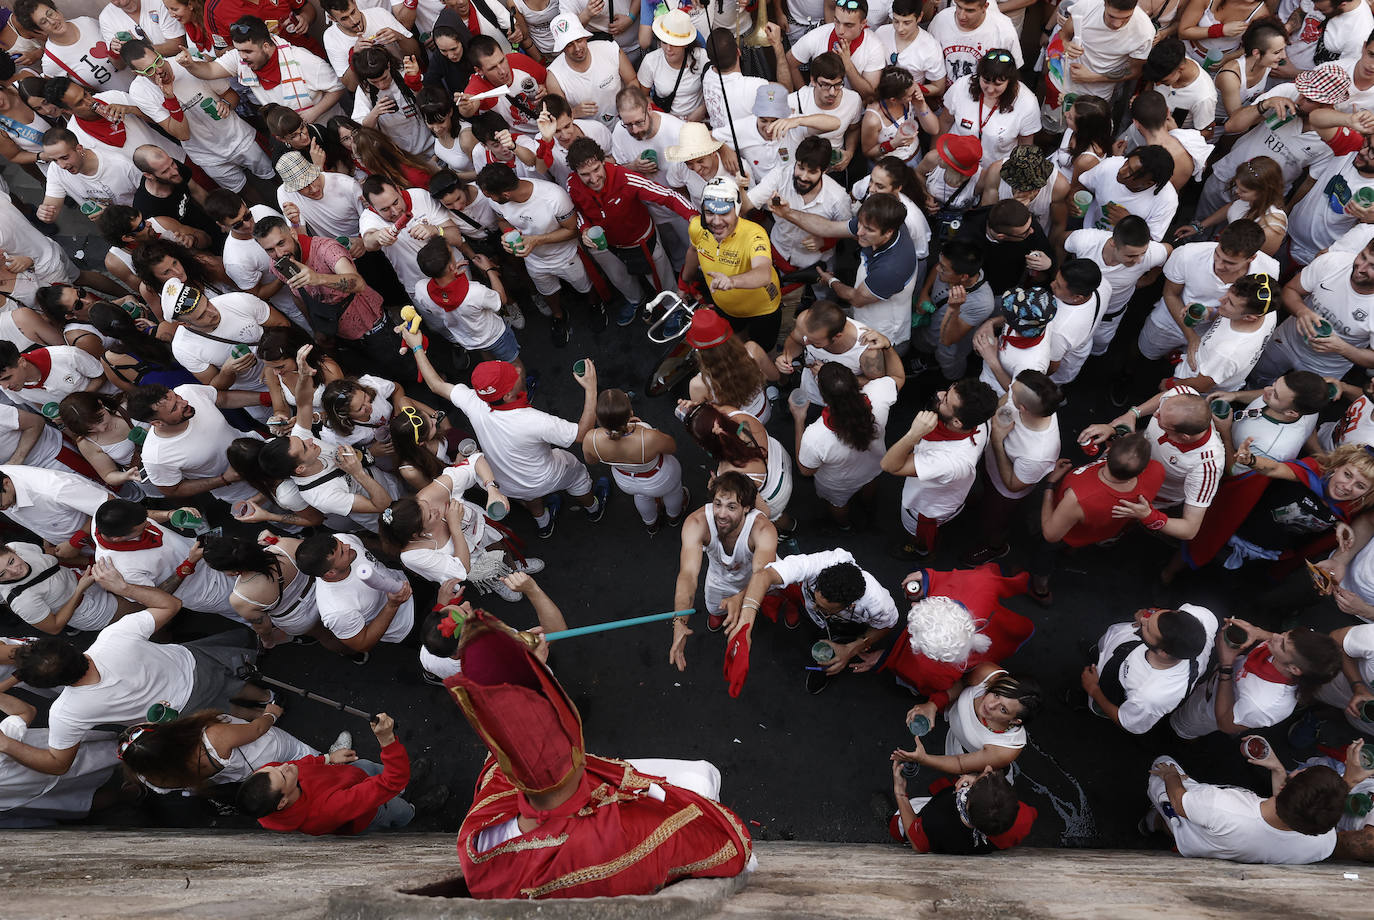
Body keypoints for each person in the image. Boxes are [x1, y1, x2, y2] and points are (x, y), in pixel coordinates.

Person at [450, 608, 752, 898]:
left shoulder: (483, 825)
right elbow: (732, 846)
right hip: (605, 831)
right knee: (701, 777)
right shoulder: (619, 837)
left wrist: (531, 674)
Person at [0, 566, 261, 776]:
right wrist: (123, 587)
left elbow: (57, 764)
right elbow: (169, 605)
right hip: (197, 667)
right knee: (236, 685)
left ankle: (254, 715)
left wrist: (7, 744)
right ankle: (267, 698)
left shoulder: (66, 713)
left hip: (180, 712)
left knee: (227, 712)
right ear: (70, 647)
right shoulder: (114, 636)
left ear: (46, 686)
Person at [403, 325, 608, 537]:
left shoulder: (475, 401)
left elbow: (436, 385)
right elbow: (581, 434)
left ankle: (544, 523)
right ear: (508, 396)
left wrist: (416, 346)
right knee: (577, 476)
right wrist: (591, 389)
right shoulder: (534, 420)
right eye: (513, 376)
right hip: (547, 476)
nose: (519, 371)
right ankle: (593, 508)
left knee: (530, 496)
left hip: (507, 482)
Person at [727, 547, 899, 695]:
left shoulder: (878, 603)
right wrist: (745, 626)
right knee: (809, 629)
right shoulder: (817, 564)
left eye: (824, 608)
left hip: (846, 628)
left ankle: (824, 671)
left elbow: (887, 626)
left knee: (831, 656)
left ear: (850, 605)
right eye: (815, 599)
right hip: (814, 620)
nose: (816, 608)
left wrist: (850, 649)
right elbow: (764, 576)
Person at [564, 137, 695, 325]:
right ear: (576, 172)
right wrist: (584, 229)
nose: (593, 179)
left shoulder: (625, 178)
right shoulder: (572, 184)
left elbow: (668, 196)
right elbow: (576, 211)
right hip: (606, 244)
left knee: (661, 279)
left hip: (641, 239)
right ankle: (635, 300)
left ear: (603, 162)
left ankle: (673, 307)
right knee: (619, 278)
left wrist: (693, 217)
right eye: (585, 174)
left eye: (596, 170)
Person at [122, 38, 274, 196]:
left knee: (274, 176)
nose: (159, 70)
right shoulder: (139, 91)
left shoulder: (188, 64)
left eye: (158, 62)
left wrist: (226, 105)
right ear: (137, 73)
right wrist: (170, 99)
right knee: (245, 193)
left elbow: (231, 96)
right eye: (149, 71)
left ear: (159, 54)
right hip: (207, 155)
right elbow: (182, 134)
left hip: (239, 138)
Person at [477, 163, 606, 346]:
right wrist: (508, 234)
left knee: (585, 286)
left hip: (566, 255)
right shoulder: (496, 200)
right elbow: (501, 218)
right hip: (534, 260)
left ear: (506, 194)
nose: (489, 199)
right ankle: (558, 316)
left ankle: (595, 305)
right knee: (547, 291)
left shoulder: (553, 196)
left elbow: (572, 230)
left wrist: (536, 240)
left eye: (490, 196)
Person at [773, 193, 918, 351]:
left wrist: (830, 281)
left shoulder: (890, 269)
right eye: (860, 224)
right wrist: (787, 213)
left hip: (882, 333)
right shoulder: (877, 221)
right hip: (863, 315)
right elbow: (828, 228)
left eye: (868, 229)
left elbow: (856, 298)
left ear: (889, 232)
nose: (859, 232)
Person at [1079, 385, 1225, 542]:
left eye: (1162, 420)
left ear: (1183, 437)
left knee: (1115, 519)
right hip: (1127, 463)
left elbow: (1190, 529)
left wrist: (1148, 515)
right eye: (1160, 410)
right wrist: (1133, 414)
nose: (1155, 415)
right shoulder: (1183, 395)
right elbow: (1164, 396)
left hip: (1147, 497)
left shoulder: (1206, 466)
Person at [1033, 433, 1166, 601]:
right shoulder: (1156, 471)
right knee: (1081, 538)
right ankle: (1071, 551)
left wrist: (1050, 485)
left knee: (1045, 552)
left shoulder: (1079, 498)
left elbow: (1051, 534)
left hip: (1068, 531)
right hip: (1101, 529)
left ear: (1108, 452)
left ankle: (1040, 588)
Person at [1144, 754, 1346, 864]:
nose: (1300, 770)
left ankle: (1155, 821)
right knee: (1171, 820)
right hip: (1214, 845)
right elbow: (1286, 814)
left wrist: (1171, 775)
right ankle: (1152, 822)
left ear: (1286, 786)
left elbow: (1180, 803)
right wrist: (1277, 770)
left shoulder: (1224, 806)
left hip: (1189, 828)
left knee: (1164, 762)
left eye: (1301, 772)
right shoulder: (1323, 844)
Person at [668, 472, 778, 672]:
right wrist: (680, 620)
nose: (721, 513)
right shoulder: (697, 522)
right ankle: (719, 616)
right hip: (719, 579)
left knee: (776, 595)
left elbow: (763, 576)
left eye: (731, 507)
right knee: (715, 611)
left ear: (746, 508)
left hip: (760, 576)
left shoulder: (763, 530)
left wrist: (741, 599)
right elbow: (688, 575)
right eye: (718, 504)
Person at [237, 711, 413, 835]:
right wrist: (387, 740)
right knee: (399, 810)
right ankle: (413, 810)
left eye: (274, 767)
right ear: (282, 802)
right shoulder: (327, 810)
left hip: (350, 772)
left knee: (377, 771)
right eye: (282, 775)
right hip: (372, 809)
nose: (284, 766)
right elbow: (391, 781)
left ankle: (405, 785)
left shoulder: (270, 775)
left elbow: (299, 764)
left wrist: (328, 758)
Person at [881, 378, 999, 559]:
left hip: (926, 509)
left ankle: (922, 552)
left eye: (945, 401)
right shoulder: (981, 421)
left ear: (958, 422)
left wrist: (913, 434)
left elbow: (888, 465)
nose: (939, 394)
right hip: (951, 493)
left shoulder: (947, 460)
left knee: (919, 537)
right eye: (948, 390)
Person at [1170, 619, 1342, 738]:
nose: (1275, 637)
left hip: (1206, 709)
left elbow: (1225, 723)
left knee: (1182, 725)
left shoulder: (1265, 704)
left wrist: (1227, 666)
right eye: (1285, 633)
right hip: (1213, 682)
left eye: (1281, 644)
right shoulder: (1297, 647)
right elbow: (1282, 641)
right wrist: (1257, 632)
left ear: (1294, 669)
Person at [963, 370, 1063, 566]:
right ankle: (983, 498)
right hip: (991, 467)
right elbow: (1003, 403)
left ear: (1023, 408)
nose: (1008, 390)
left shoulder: (1039, 454)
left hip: (1004, 493)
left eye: (1012, 392)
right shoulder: (1030, 402)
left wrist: (997, 441)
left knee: (993, 523)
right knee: (985, 491)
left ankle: (995, 547)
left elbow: (1012, 485)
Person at [179, 16, 343, 125]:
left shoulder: (304, 61)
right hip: (290, 132)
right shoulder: (240, 57)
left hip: (326, 125)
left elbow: (337, 88)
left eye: (248, 52)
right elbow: (209, 70)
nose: (241, 57)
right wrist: (190, 65)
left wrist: (314, 113)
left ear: (266, 46)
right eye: (238, 50)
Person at [794, 361, 901, 529]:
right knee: (869, 482)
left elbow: (806, 470)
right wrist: (887, 346)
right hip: (873, 467)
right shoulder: (878, 396)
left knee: (838, 504)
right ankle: (869, 506)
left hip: (839, 482)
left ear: (823, 397)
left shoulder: (815, 436)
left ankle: (845, 526)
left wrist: (799, 419)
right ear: (855, 381)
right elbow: (898, 377)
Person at [1253, 240, 1374, 385]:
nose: (1361, 267)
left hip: (1325, 368)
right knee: (1257, 378)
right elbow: (1290, 290)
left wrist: (1342, 348)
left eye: (1372, 267)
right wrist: (1301, 311)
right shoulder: (1334, 262)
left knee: (1295, 405)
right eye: (1363, 256)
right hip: (1286, 341)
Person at [125, 382, 265, 507]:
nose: (184, 402)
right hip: (244, 491)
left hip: (264, 453)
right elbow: (173, 489)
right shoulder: (156, 456)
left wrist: (269, 399)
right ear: (157, 423)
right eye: (174, 408)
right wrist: (223, 479)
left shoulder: (188, 391)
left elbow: (224, 398)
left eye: (177, 396)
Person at [681, 177, 783, 347]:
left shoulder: (754, 234)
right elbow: (693, 251)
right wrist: (684, 283)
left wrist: (731, 281)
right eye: (710, 213)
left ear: (736, 210)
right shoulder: (697, 227)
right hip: (724, 306)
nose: (716, 221)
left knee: (763, 350)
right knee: (733, 342)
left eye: (724, 213)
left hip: (763, 310)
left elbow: (763, 272)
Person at [1082, 606, 1215, 734]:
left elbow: (1126, 722)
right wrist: (1151, 613)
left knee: (1095, 702)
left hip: (1111, 685)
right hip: (1119, 646)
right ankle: (1099, 653)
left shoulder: (1150, 696)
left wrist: (1093, 689)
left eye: (1148, 627)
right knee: (1102, 651)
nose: (1144, 619)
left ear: (1163, 652)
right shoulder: (1201, 617)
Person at [896, 664, 1041, 778]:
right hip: (952, 728)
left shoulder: (1005, 749)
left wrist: (924, 759)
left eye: (1003, 709)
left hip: (963, 755)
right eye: (996, 694)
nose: (990, 705)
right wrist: (934, 704)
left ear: (1015, 721)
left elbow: (960, 764)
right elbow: (960, 683)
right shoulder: (987, 673)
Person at [582, 388, 685, 535]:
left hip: (625, 481)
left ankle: (651, 524)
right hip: (658, 479)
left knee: (641, 496)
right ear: (630, 414)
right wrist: (638, 428)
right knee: (673, 492)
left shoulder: (590, 439)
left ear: (598, 418)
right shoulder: (648, 436)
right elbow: (671, 447)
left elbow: (591, 461)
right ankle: (674, 517)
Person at [1064, 217, 1171, 358]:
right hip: (1075, 310)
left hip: (1109, 316)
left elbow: (1168, 251)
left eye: (1142, 254)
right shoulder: (1086, 240)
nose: (1139, 260)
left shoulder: (1150, 254)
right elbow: (1060, 240)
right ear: (1113, 243)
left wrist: (1150, 278)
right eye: (1131, 255)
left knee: (1099, 345)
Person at [295, 533, 414, 655]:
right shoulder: (336, 611)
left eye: (341, 543)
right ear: (330, 573)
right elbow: (363, 643)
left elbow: (364, 543)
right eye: (342, 552)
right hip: (407, 623)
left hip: (406, 580)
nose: (347, 546)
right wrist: (392, 605)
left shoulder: (342, 540)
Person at [889, 763, 1035, 855]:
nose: (988, 768)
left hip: (927, 826)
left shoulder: (936, 820)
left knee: (900, 823)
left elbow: (918, 843)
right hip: (957, 843)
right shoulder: (1020, 818)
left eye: (985, 776)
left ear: (968, 798)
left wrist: (901, 793)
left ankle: (888, 817)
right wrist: (977, 780)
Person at [940, 49, 1040, 170]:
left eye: (998, 84)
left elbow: (1025, 146)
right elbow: (945, 122)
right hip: (955, 162)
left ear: (1010, 81)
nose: (990, 89)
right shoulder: (962, 85)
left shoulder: (1027, 102)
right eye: (986, 81)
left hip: (994, 171)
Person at [911, 242, 995, 380]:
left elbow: (948, 340)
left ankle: (951, 382)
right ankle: (928, 361)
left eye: (944, 269)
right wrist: (924, 293)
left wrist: (953, 308)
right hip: (928, 329)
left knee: (948, 365)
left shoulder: (983, 303)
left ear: (964, 277)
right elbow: (936, 269)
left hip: (950, 348)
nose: (938, 269)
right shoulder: (951, 266)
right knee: (923, 345)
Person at [1174, 154, 1287, 256]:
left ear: (1264, 192)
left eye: (1243, 191)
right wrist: (1199, 227)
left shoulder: (1272, 229)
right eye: (1237, 186)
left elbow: (1259, 261)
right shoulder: (1249, 199)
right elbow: (1232, 207)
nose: (1237, 192)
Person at [0, 541, 123, 635]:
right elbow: (55, 628)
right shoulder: (21, 601)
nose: (15, 571)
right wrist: (79, 590)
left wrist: (90, 561)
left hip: (82, 577)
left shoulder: (16, 546)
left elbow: (51, 552)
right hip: (88, 609)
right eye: (2, 574)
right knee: (139, 607)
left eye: (11, 561)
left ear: (11, 550)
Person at [542, 14, 637, 130]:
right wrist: (574, 112)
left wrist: (629, 103)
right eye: (569, 45)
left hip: (625, 123)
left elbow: (632, 80)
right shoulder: (554, 77)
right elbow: (560, 117)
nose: (577, 48)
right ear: (562, 48)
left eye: (579, 40)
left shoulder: (610, 49)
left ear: (585, 37)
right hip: (589, 134)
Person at [1069, 146, 1179, 242]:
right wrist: (1073, 197)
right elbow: (1085, 184)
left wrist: (1128, 224)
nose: (1122, 170)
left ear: (1149, 183)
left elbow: (1152, 241)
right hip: (1087, 233)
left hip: (1120, 252)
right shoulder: (1110, 165)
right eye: (1126, 162)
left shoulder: (1167, 200)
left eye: (1130, 172)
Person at [1058, 0, 1155, 103]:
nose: (1117, 24)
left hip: (1096, 98)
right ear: (1104, 3)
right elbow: (1063, 35)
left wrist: (1093, 78)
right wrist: (1065, 45)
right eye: (1112, 16)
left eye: (1126, 18)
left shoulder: (1145, 31)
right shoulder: (1086, 5)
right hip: (1061, 82)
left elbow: (1135, 71)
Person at [1045, 257, 1111, 385]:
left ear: (1077, 297)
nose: (1052, 284)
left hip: (1064, 365)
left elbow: (1052, 367)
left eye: (1058, 286)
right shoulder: (1103, 284)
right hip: (1083, 344)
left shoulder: (1060, 328)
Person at [927, 0, 1022, 84]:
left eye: (970, 10)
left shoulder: (1004, 30)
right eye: (959, 7)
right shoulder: (940, 21)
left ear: (985, 7)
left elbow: (1012, 75)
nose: (961, 15)